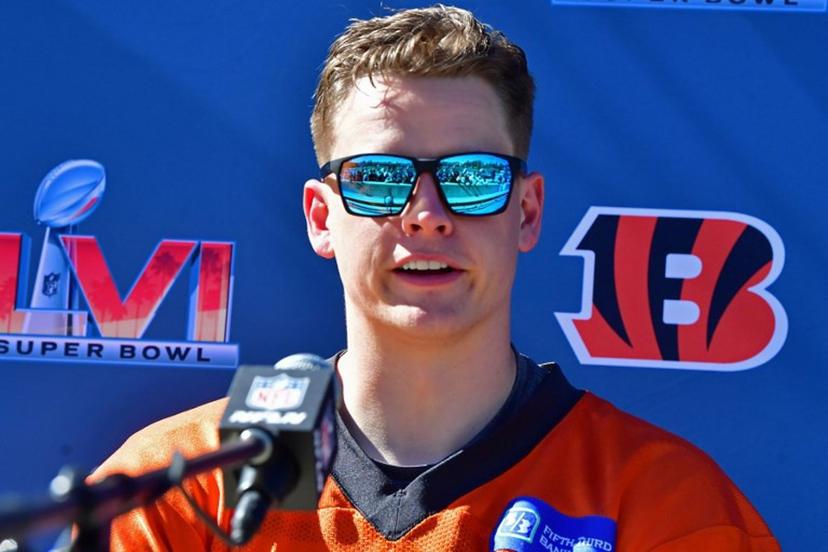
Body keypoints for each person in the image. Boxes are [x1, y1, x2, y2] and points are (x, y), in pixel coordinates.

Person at [91, 5, 780, 551]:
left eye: (473, 178)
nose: (426, 215)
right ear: (321, 217)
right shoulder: (181, 490)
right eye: (381, 179)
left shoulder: (660, 503)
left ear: (528, 212)